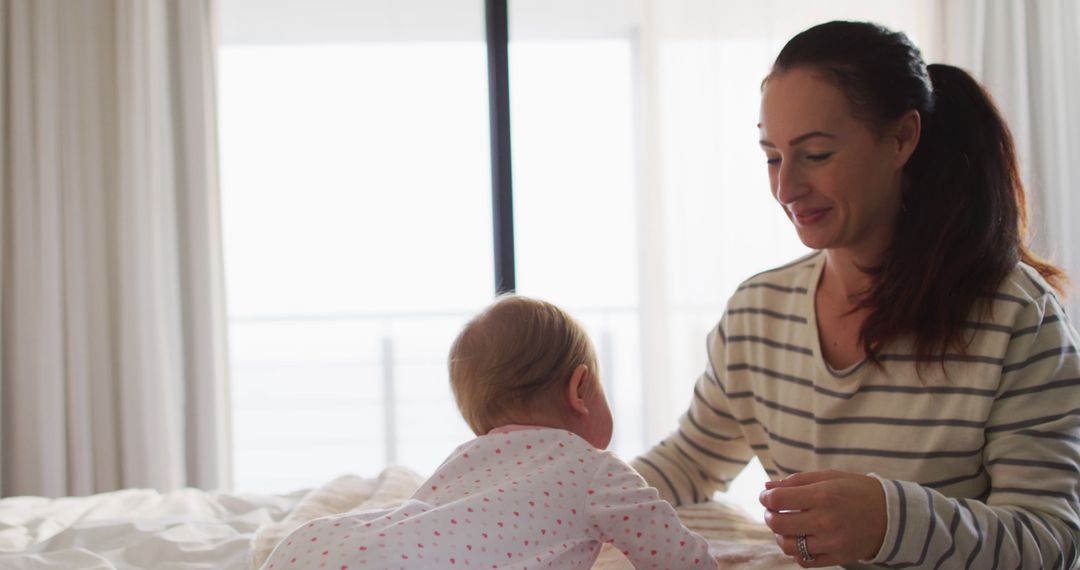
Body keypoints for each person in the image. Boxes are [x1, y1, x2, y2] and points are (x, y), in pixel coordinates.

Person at [631, 20, 1080, 569]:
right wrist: (577, 490)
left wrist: (892, 523)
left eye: (815, 155)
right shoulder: (758, 312)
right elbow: (689, 464)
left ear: (901, 139)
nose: (786, 188)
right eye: (772, 156)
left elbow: (1049, 542)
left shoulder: (1016, 318)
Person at [262, 295, 716, 570]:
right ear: (580, 391)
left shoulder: (465, 460)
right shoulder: (595, 469)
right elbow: (679, 558)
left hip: (318, 548)